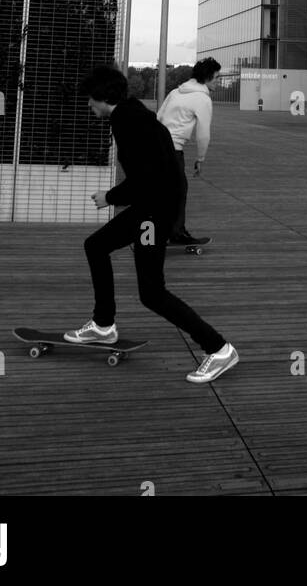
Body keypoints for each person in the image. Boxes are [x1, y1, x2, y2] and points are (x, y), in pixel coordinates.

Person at [64, 65, 238, 385]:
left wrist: (110, 196)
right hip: (153, 207)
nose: (89, 105)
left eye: (90, 100)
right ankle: (103, 326)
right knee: (96, 245)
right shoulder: (131, 115)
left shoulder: (130, 123)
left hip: (152, 215)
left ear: (104, 97)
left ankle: (219, 348)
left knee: (152, 293)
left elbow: (146, 179)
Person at [157, 58, 221, 246]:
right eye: (217, 77)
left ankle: (156, 234)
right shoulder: (202, 98)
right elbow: (203, 134)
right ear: (207, 78)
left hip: (156, 147)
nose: (218, 81)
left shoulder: (175, 92)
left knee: (161, 193)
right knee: (179, 192)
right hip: (172, 151)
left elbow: (159, 117)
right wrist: (200, 159)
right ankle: (176, 234)